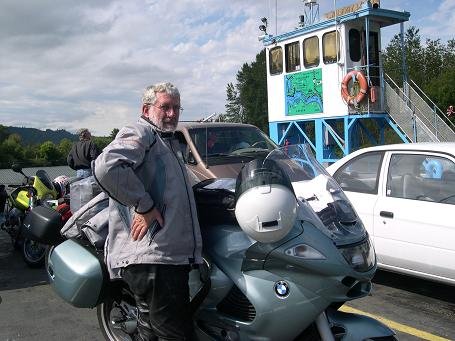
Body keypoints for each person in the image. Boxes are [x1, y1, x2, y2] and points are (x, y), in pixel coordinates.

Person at [93, 82, 202, 341]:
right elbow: (106, 167)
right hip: (156, 258)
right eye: (165, 107)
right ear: (146, 108)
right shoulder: (142, 132)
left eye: (176, 107)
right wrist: (144, 205)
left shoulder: (165, 142)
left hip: (159, 257)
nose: (172, 114)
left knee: (151, 332)